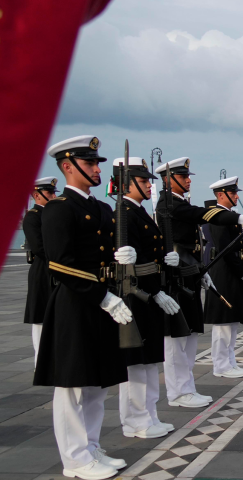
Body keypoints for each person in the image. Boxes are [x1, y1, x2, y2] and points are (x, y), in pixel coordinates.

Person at [36, 136, 133, 479]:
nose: (96, 169)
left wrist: (123, 258)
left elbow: (103, 253)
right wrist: (102, 296)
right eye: (89, 164)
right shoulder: (59, 208)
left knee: (97, 382)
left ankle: (90, 447)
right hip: (77, 304)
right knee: (73, 387)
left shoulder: (103, 208)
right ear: (67, 166)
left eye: (96, 163)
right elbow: (60, 264)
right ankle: (74, 459)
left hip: (101, 304)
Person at [155, 158, 243, 407]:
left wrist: (198, 269)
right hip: (175, 274)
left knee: (190, 335)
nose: (189, 180)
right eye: (183, 177)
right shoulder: (168, 203)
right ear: (168, 179)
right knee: (177, 341)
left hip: (188, 271)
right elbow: (204, 215)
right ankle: (178, 392)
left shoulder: (179, 202)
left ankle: (187, 388)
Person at [111, 157, 180, 440]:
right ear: (126, 185)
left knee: (150, 361)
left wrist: (167, 259)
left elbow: (151, 257)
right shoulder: (123, 213)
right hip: (134, 297)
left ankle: (149, 414)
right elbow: (131, 264)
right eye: (142, 181)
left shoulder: (139, 212)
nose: (149, 186)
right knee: (136, 364)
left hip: (149, 296)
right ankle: (134, 420)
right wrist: (156, 289)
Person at [204, 177, 243, 379]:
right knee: (224, 323)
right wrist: (242, 272)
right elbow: (224, 249)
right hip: (224, 273)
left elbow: (233, 244)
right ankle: (221, 365)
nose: (236, 196)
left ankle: (229, 361)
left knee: (231, 322)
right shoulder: (218, 217)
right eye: (233, 193)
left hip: (231, 272)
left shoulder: (229, 216)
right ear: (220, 195)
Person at [22, 176, 58, 367]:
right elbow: (39, 246)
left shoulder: (51, 214)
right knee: (40, 320)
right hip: (43, 271)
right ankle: (40, 363)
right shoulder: (33, 217)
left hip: (53, 269)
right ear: (37, 195)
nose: (53, 196)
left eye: (53, 192)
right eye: (49, 192)